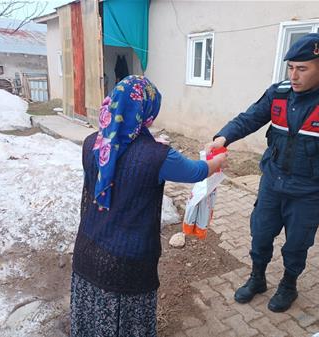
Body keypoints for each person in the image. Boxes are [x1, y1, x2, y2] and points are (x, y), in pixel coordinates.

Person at [206, 33, 319, 312]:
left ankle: (288, 285)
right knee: (260, 234)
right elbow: (250, 118)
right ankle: (257, 278)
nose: (294, 76)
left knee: (296, 244)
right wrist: (223, 138)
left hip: (309, 190)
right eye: (291, 67)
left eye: (302, 68)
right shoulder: (279, 93)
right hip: (273, 182)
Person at [71, 75, 227, 337]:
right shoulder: (159, 156)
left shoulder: (91, 144)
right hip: (127, 265)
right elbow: (198, 171)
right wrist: (218, 161)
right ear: (146, 112)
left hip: (86, 253)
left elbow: (117, 167)